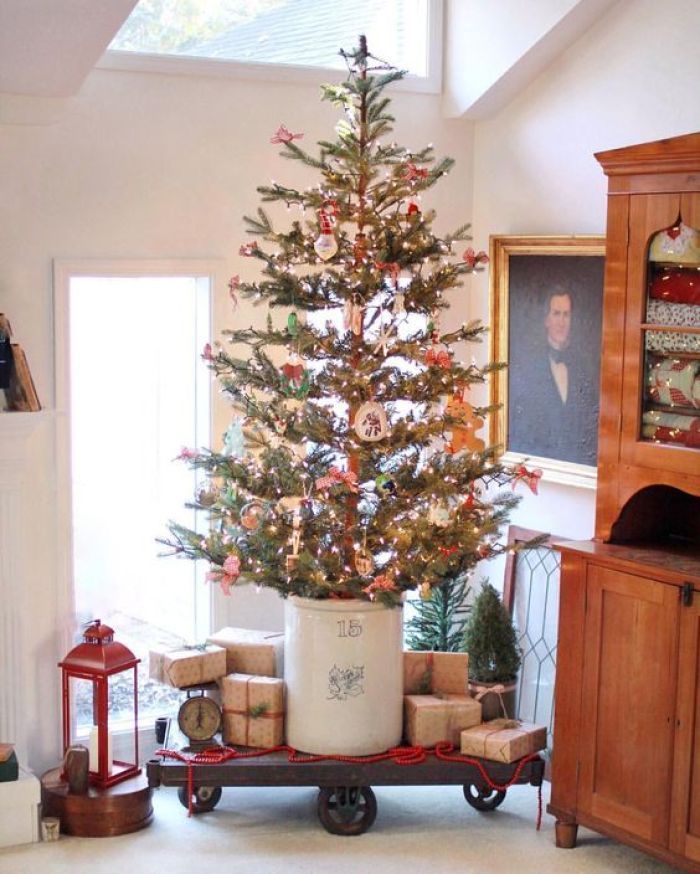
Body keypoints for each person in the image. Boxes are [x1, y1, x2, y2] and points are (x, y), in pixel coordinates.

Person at [509, 286, 598, 466]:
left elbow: (591, 423)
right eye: (556, 314)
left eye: (566, 314)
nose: (561, 322)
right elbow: (522, 430)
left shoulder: (584, 367)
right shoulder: (528, 368)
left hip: (579, 468)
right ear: (546, 319)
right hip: (541, 467)